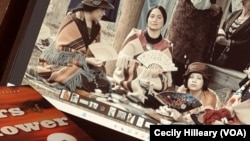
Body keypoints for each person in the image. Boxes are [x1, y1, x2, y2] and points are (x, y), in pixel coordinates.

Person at [26, 0, 114, 94]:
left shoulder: (97, 27)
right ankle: (41, 72)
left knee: (105, 83)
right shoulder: (72, 20)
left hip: (82, 66)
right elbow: (61, 52)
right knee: (76, 76)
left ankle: (84, 85)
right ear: (93, 8)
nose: (104, 13)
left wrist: (98, 59)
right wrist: (86, 60)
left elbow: (94, 50)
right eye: (102, 10)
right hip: (60, 61)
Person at [113, 6, 177, 109]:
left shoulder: (166, 46)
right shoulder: (135, 36)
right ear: (147, 19)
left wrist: (158, 73)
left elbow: (166, 77)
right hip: (129, 82)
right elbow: (123, 63)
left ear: (164, 21)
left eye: (159, 17)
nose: (154, 20)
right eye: (152, 16)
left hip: (150, 89)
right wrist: (149, 73)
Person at [167, 0, 222, 86]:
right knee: (177, 68)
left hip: (191, 30)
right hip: (188, 28)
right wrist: (213, 7)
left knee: (182, 67)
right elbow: (199, 2)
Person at [211, 0, 250, 72]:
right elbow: (222, 28)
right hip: (220, 57)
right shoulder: (234, 14)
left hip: (237, 62)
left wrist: (229, 43)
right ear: (244, 1)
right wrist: (220, 36)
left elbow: (248, 44)